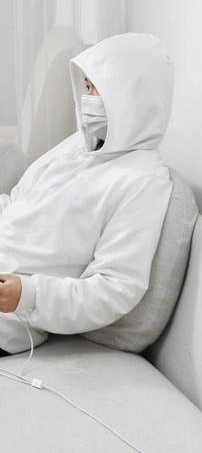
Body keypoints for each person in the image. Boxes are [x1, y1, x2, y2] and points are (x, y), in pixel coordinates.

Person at [0, 32, 175, 356]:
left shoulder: (144, 181)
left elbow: (115, 288)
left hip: (8, 318)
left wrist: (29, 294)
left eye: (98, 90)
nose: (88, 99)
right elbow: (16, 202)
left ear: (130, 97)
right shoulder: (79, 145)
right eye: (87, 87)